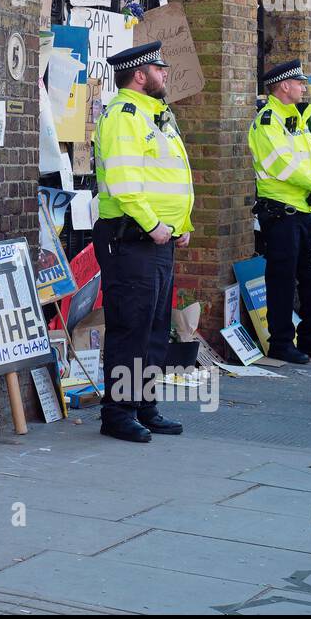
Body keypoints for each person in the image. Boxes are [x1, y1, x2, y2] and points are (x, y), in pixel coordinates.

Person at [92, 41, 194, 442]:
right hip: (131, 238)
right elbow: (124, 182)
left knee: (154, 327)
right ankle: (118, 412)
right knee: (130, 327)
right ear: (140, 74)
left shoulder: (157, 116)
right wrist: (153, 225)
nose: (166, 73)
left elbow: (170, 177)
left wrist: (181, 223)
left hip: (157, 240)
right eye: (159, 67)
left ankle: (144, 405)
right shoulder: (124, 116)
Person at [247, 60, 311, 364]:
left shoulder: (301, 120)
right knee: (283, 280)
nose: (304, 87)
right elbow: (284, 166)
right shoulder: (267, 121)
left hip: (307, 213)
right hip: (281, 216)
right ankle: (281, 343)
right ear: (284, 85)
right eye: (300, 83)